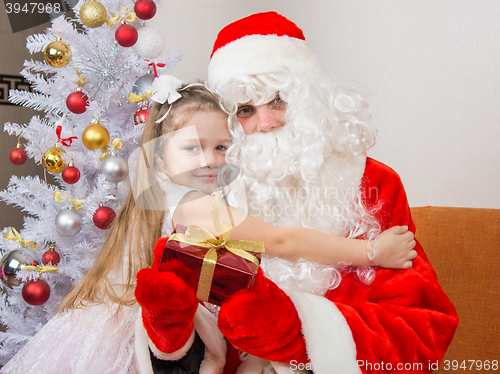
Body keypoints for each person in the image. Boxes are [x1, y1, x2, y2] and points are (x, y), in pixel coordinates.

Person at [0, 78, 415, 374]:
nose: (210, 160)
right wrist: (370, 252)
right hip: (143, 343)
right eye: (192, 148)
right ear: (161, 156)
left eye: (220, 147)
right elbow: (280, 241)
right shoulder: (196, 207)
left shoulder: (161, 195)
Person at [146, 11, 458, 374]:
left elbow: (422, 334)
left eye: (278, 101)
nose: (264, 124)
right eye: (246, 110)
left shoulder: (373, 182)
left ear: (311, 97)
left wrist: (295, 332)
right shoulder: (215, 189)